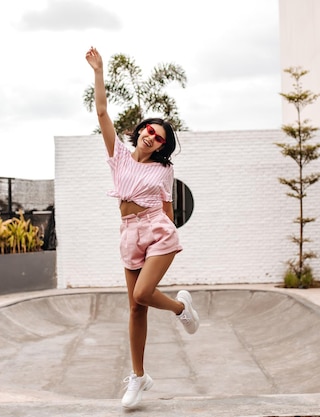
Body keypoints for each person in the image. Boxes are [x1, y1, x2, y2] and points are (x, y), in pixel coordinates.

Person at [85, 46, 199, 409]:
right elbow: (102, 111)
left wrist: (168, 233)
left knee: (141, 294)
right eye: (150, 130)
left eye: (160, 137)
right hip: (129, 233)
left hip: (157, 231)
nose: (152, 136)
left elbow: (166, 206)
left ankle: (182, 310)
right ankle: (139, 377)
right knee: (136, 309)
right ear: (141, 131)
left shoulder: (163, 170)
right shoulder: (118, 154)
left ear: (163, 147)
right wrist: (99, 72)